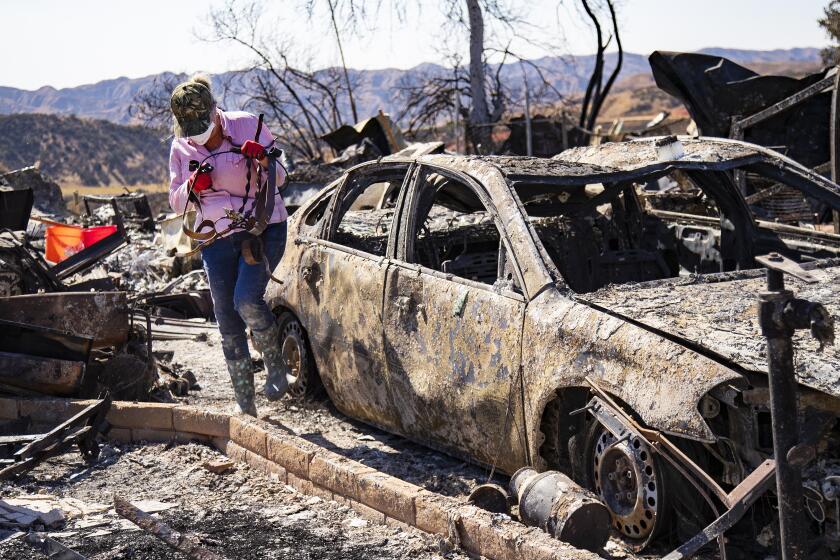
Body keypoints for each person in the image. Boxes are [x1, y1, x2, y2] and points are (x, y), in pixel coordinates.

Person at [168, 75, 289, 417]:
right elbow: (176, 203)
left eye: (201, 124)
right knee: (226, 318)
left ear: (214, 111)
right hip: (216, 238)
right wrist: (193, 184)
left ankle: (275, 363)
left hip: (261, 230)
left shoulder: (247, 124)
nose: (198, 132)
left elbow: (281, 177)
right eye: (189, 127)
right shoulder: (180, 148)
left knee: (246, 300)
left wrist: (264, 160)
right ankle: (245, 405)